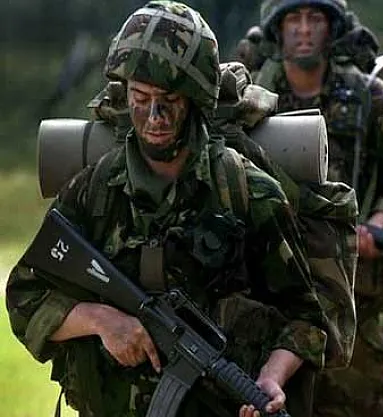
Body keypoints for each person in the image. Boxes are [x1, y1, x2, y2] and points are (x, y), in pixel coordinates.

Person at [5, 2, 337, 416]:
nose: (154, 117)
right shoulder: (94, 191)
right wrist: (101, 320)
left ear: (195, 100)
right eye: (140, 99)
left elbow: (307, 318)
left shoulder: (248, 192)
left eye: (169, 100)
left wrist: (271, 376)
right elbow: (24, 295)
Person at [254, 1, 383, 416]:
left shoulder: (368, 95)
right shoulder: (252, 99)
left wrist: (379, 224)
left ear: (332, 28)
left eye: (315, 18)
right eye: (294, 19)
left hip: (350, 290)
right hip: (271, 281)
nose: (304, 29)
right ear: (277, 30)